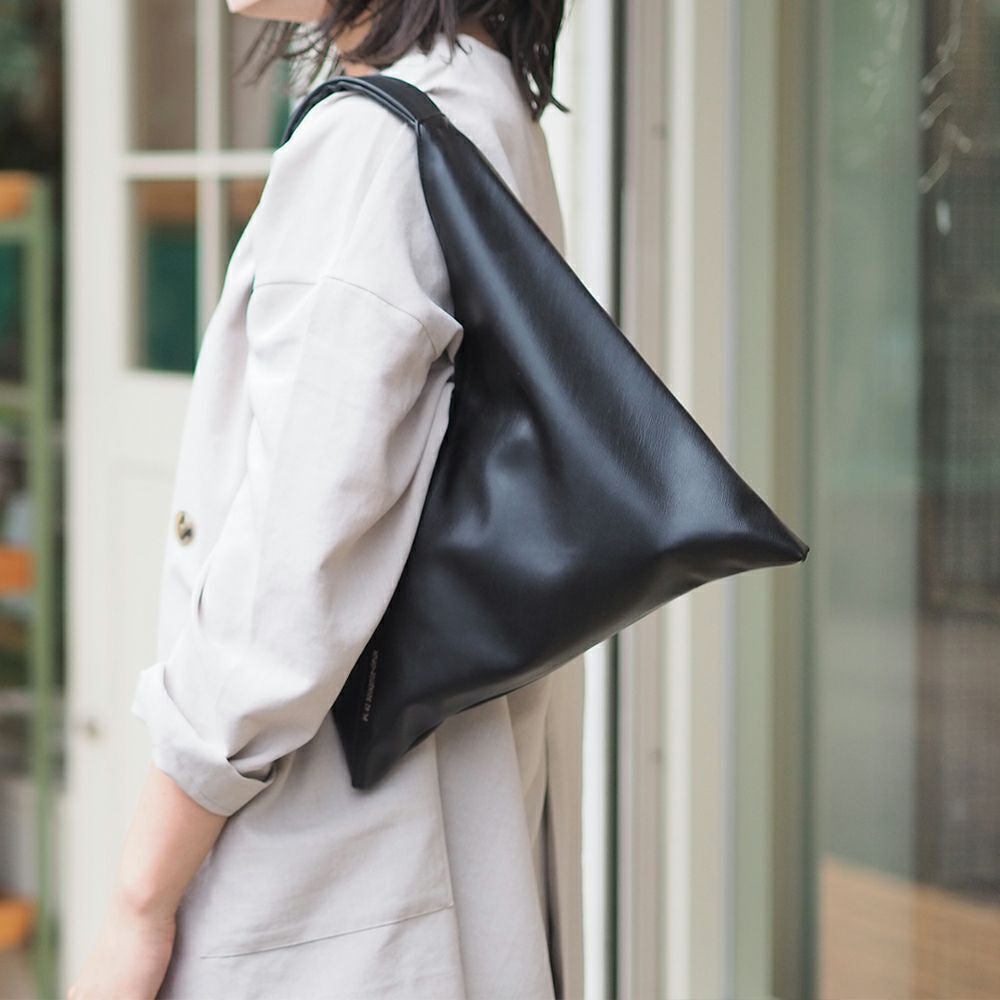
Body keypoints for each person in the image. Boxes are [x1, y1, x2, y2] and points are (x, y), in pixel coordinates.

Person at [66, 2, 585, 998]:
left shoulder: (378, 144)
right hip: (434, 847)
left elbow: (280, 600)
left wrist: (138, 904)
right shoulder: (478, 95)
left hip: (328, 887)